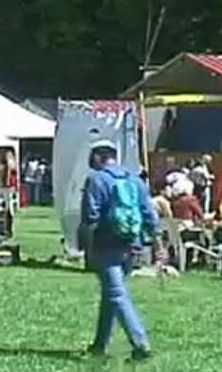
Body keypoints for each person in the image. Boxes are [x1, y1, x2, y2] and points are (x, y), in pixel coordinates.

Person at [80, 140, 158, 362]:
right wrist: (155, 238)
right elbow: (148, 213)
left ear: (97, 157)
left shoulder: (96, 179)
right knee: (111, 295)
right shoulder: (134, 179)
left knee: (116, 294)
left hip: (106, 244)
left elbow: (90, 215)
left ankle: (141, 344)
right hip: (132, 244)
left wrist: (86, 243)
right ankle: (99, 345)